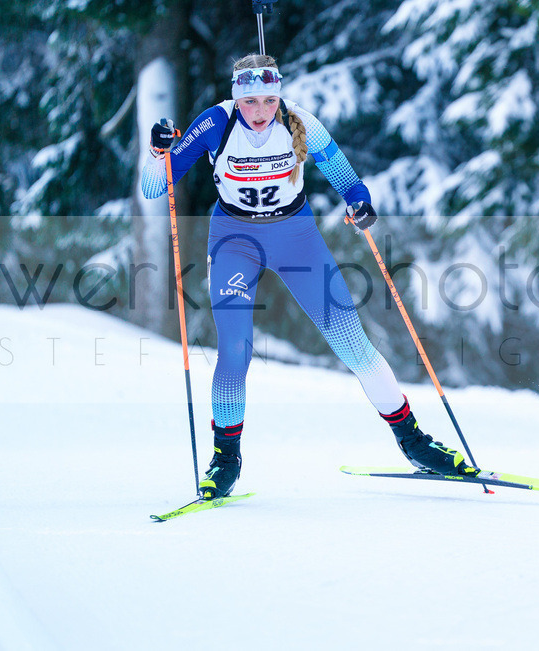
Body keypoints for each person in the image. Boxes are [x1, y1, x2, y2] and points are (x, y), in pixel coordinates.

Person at [141, 53, 477, 499]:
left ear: (277, 97)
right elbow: (153, 187)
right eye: (250, 102)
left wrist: (359, 201)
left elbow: (341, 171)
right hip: (234, 240)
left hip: (295, 236)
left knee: (352, 342)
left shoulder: (298, 119)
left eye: (267, 100)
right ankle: (225, 459)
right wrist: (158, 151)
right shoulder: (214, 123)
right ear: (236, 99)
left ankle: (414, 443)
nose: (260, 112)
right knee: (235, 351)